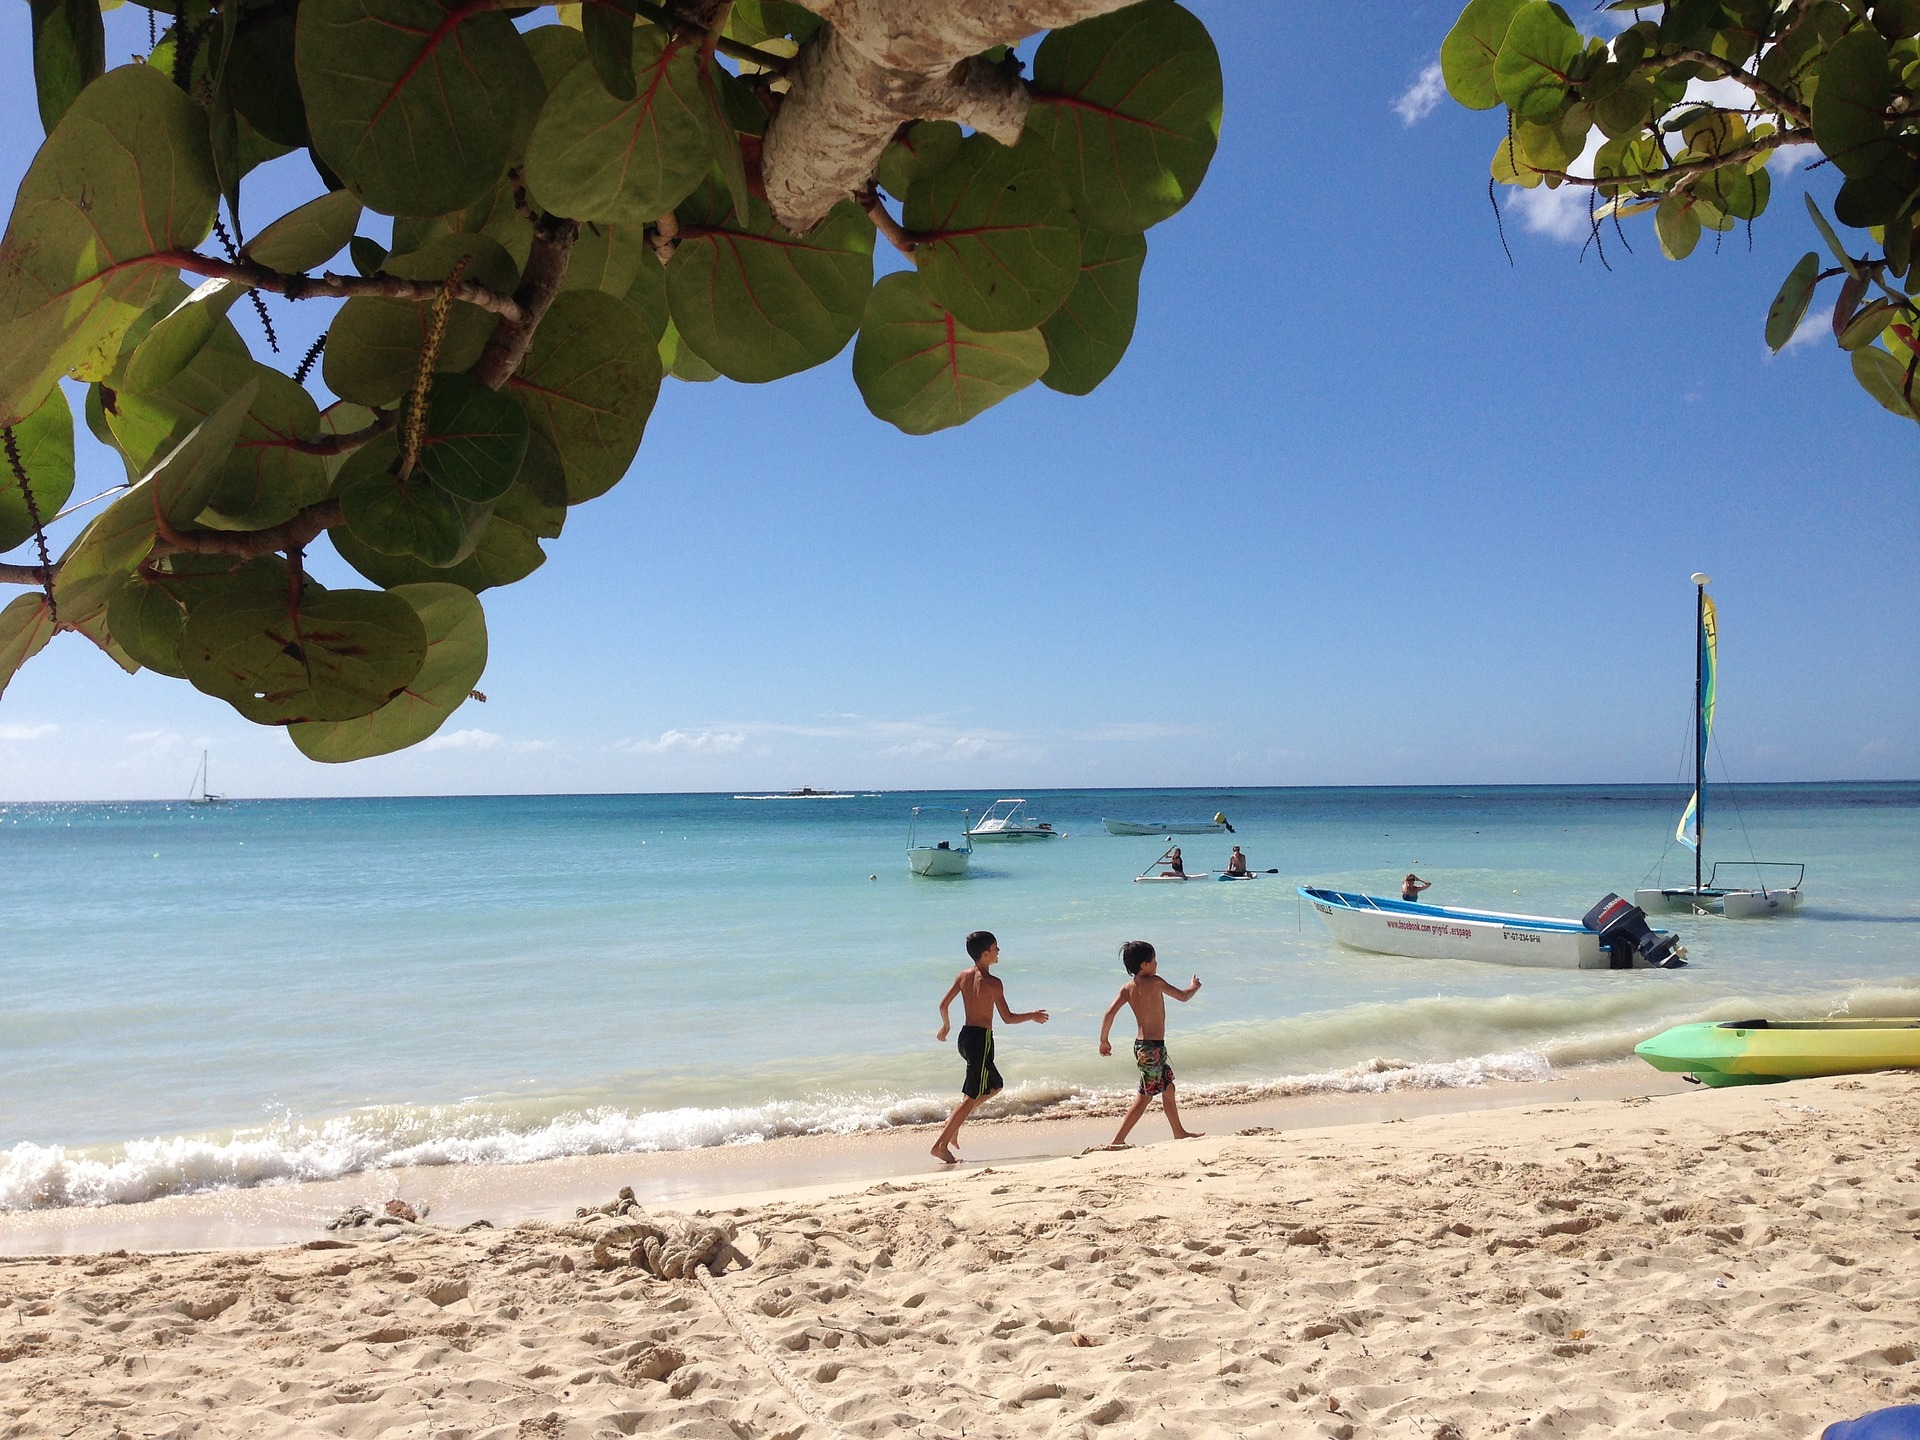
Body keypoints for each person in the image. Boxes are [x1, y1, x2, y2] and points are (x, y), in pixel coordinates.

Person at [931, 931, 1049, 1164]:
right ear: (985, 954)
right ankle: (940, 1145)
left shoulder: (963, 976)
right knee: (973, 1095)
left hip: (965, 1038)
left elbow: (943, 1005)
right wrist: (1032, 1015)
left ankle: (954, 1121)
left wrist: (946, 1026)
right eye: (995, 948)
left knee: (994, 1085)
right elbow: (1008, 1017)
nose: (998, 951)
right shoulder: (994, 983)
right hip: (981, 1040)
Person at [1098, 940, 1204, 1146]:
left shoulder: (1127, 988)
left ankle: (1179, 1132)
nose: (1156, 962)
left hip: (1144, 1047)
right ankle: (1118, 1140)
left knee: (1168, 1088)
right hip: (1152, 1049)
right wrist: (1194, 987)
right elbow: (1183, 997)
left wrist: (1104, 1040)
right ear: (1144, 965)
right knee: (1145, 1096)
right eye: (1154, 959)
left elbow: (1109, 1013)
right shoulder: (1156, 982)